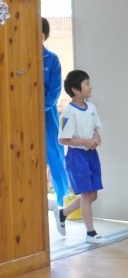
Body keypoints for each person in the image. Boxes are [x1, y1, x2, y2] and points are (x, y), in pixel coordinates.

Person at [53, 70, 105, 244]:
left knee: (92, 196)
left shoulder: (92, 108)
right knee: (86, 195)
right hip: (77, 157)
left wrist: (96, 138)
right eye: (86, 84)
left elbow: (95, 128)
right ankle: (90, 233)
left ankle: (62, 213)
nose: (90, 87)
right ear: (75, 89)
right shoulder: (68, 112)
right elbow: (62, 139)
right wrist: (85, 141)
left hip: (91, 155)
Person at [42, 17, 70, 207]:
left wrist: (39, 108)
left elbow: (55, 90)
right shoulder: (19, 56)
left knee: (56, 157)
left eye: (40, 34)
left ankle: (64, 204)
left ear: (46, 35)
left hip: (48, 115)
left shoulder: (51, 59)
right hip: (23, 115)